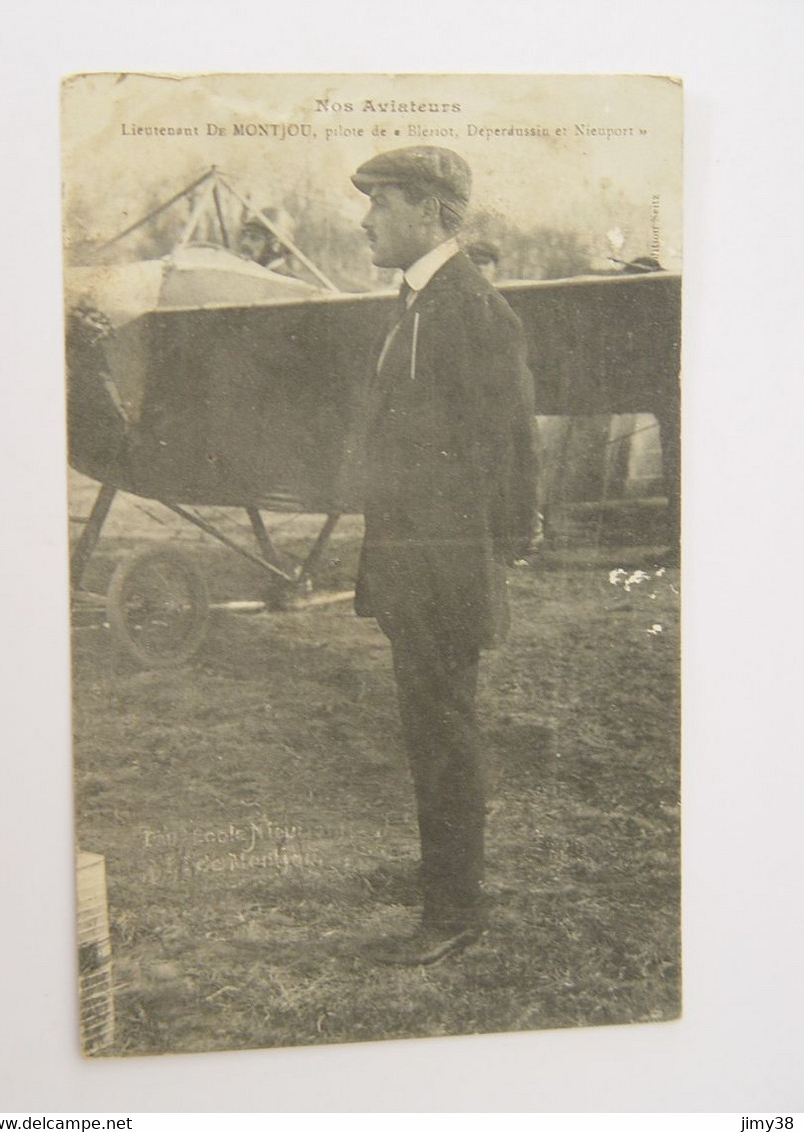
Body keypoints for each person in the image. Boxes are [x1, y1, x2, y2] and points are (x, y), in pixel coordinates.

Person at [352, 146, 539, 965]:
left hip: (442, 568)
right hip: (411, 564)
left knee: (443, 733)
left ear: (429, 212)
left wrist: (479, 561)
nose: (367, 219)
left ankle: (454, 909)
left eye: (382, 203)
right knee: (429, 728)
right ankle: (444, 881)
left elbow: (500, 450)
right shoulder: (418, 302)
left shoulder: (471, 310)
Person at [238, 208, 294, 273]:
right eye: (244, 235)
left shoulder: (288, 281)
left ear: (276, 245)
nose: (244, 242)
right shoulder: (249, 271)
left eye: (254, 238)